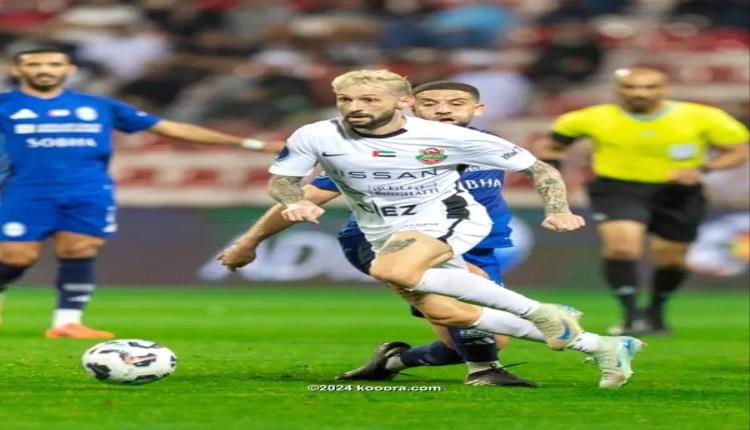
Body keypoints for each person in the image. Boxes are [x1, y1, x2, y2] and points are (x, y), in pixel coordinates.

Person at [227, 69, 644, 388]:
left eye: (368, 99)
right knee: (448, 313)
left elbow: (541, 169)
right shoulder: (317, 135)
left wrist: (558, 210)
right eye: (345, 99)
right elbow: (283, 181)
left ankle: (529, 325)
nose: (354, 106)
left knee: (392, 269)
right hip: (380, 231)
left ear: (403, 102)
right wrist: (293, 203)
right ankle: (600, 345)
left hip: (446, 217)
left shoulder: (447, 137)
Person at [0, 47, 280, 339]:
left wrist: (250, 144)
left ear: (69, 70)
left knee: (79, 249)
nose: (45, 69)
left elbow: (169, 128)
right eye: (34, 64)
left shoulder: (98, 106)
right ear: (18, 70)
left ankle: (67, 322)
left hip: (88, 190)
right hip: (24, 190)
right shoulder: (6, 105)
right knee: (17, 256)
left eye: (54, 64)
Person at [535, 67, 749, 335]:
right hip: (617, 188)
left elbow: (738, 151)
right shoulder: (587, 118)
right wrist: (555, 180)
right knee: (622, 248)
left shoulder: (703, 116)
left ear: (665, 89)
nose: (640, 93)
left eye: (649, 87)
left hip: (679, 192)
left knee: (671, 259)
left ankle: (656, 311)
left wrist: (703, 169)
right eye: (631, 87)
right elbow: (551, 147)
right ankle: (631, 315)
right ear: (617, 90)